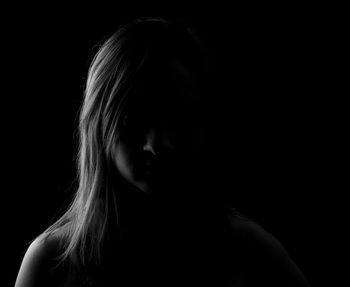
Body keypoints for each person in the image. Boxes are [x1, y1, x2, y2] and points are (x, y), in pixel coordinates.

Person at [15, 17, 310, 287]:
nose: (159, 145)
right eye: (134, 118)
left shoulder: (249, 251)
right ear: (99, 123)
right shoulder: (53, 262)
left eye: (179, 118)